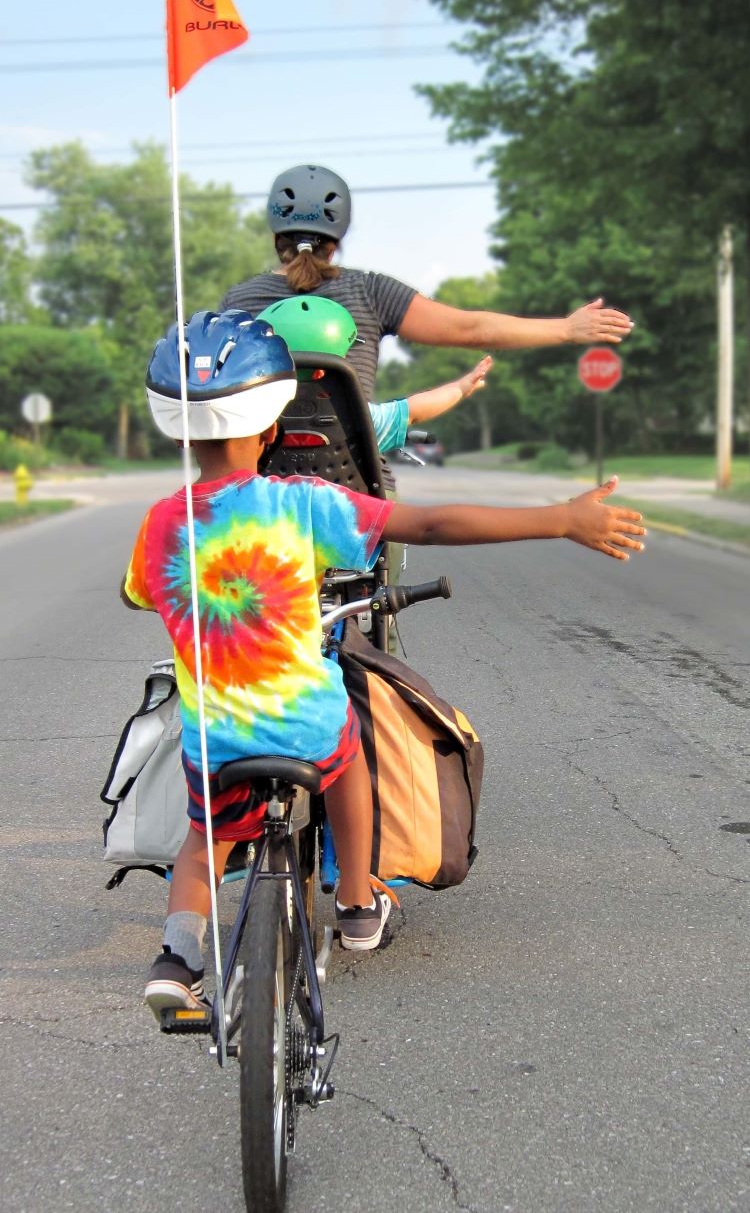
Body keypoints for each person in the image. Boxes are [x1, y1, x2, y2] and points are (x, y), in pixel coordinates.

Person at [123, 309, 645, 1017]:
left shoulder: (160, 523)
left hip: (215, 738)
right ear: (273, 428)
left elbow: (140, 594)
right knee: (350, 764)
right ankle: (360, 901)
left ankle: (177, 961)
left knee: (204, 842)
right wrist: (561, 518)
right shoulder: (300, 504)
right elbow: (429, 524)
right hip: (304, 726)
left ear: (181, 431)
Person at [219, 163, 634, 403]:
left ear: (277, 235)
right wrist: (565, 328)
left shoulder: (239, 302)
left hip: (260, 481)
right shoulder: (370, 291)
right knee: (384, 532)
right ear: (337, 239)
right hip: (352, 480)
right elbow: (471, 330)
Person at [255, 292, 493, 455]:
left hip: (264, 526)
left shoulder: (250, 416)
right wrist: (460, 388)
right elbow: (414, 411)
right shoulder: (358, 416)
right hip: (349, 525)